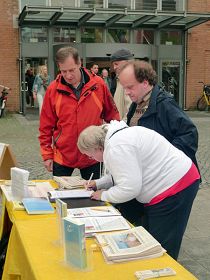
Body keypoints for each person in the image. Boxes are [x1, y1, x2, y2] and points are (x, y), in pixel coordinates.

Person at [77, 120, 200, 260]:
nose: (91, 159)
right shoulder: (116, 139)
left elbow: (129, 188)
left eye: (90, 155)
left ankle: (164, 271)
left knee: (162, 245)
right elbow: (123, 174)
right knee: (151, 239)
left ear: (98, 148)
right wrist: (98, 183)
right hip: (171, 183)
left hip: (175, 186)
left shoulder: (117, 147)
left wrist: (103, 195)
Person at [115, 60, 200, 225]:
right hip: (148, 183)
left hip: (169, 185)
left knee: (162, 238)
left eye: (130, 87)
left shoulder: (165, 104)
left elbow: (189, 134)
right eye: (124, 87)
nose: (126, 92)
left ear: (145, 83)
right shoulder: (137, 104)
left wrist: (164, 162)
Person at [39, 46, 120, 180]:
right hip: (63, 156)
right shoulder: (53, 90)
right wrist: (47, 154)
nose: (68, 75)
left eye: (72, 70)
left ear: (79, 63)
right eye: (64, 71)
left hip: (93, 154)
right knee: (59, 197)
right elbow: (45, 126)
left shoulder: (98, 85)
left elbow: (113, 118)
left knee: (94, 197)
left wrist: (112, 147)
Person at [110, 49, 133, 120]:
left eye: (116, 64)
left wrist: (122, 127)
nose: (114, 67)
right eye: (113, 65)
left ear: (126, 63)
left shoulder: (130, 79)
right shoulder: (119, 79)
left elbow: (131, 110)